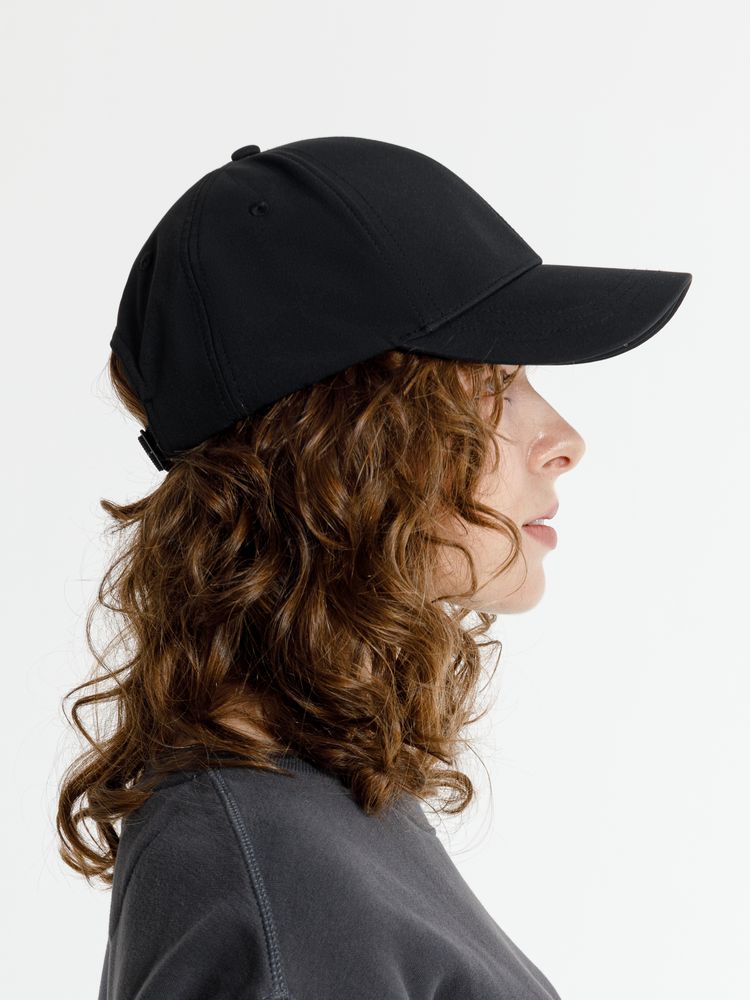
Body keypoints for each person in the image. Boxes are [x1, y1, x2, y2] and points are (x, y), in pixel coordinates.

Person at [56, 136, 691, 1000]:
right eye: (494, 381)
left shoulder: (322, 807)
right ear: (338, 446)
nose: (565, 441)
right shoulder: (269, 878)